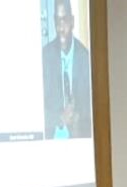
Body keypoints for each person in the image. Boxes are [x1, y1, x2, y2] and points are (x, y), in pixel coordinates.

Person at [43, 0, 91, 139]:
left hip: (80, 140)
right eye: (57, 21)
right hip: (50, 141)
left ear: (72, 21)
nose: (60, 27)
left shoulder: (85, 58)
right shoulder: (45, 57)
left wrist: (78, 117)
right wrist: (59, 118)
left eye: (64, 20)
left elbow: (93, 107)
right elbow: (37, 108)